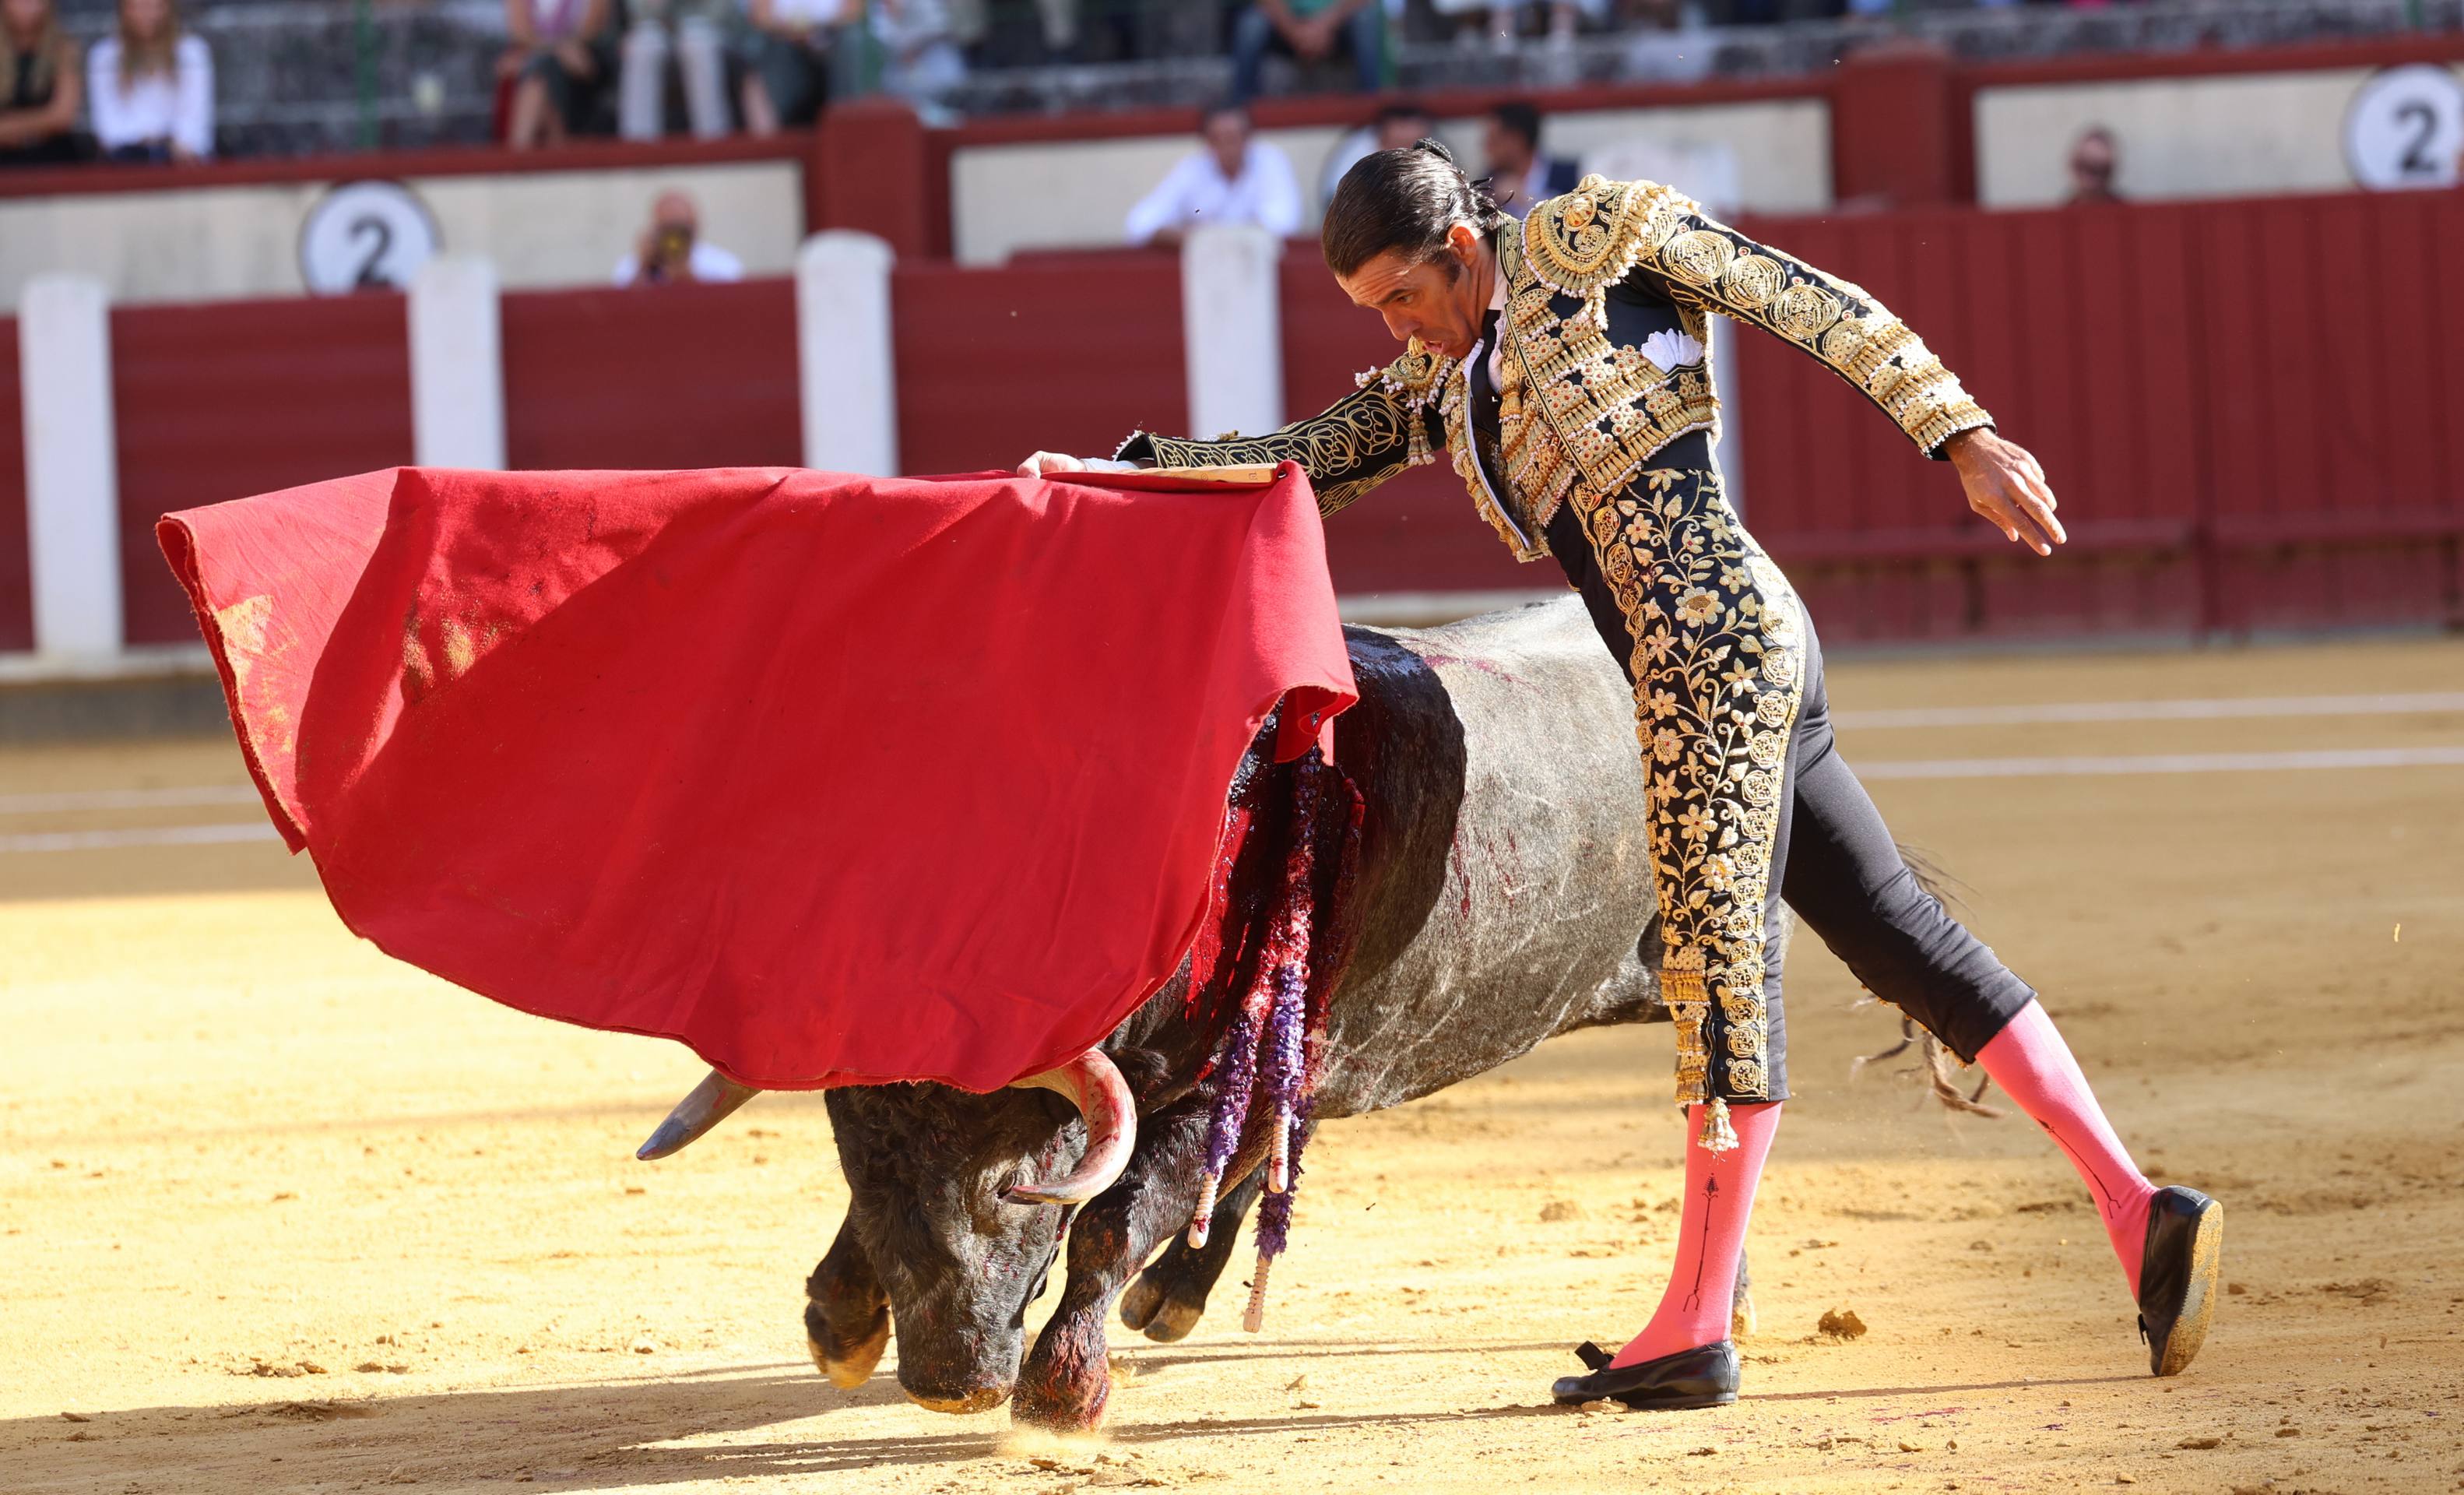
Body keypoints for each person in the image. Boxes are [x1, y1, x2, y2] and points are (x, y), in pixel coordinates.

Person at [1021, 143, 2223, 1409]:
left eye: (1404, 295)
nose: (1397, 326)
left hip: (1712, 649)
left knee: (1717, 976)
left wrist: (1960, 436)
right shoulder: (1444, 376)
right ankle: (2136, 1207)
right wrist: (1120, 476)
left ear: (1461, 249)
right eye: (1375, 309)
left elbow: (1810, 304)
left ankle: (1694, 1327)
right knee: (1893, 932)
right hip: (1721, 652)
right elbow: (1300, 460)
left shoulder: (1599, 244)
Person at [1123, 100, 1302, 249]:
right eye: (1218, 139)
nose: (1228, 148)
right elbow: (1138, 224)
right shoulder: (1193, 168)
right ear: (1207, 142)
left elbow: (1284, 222)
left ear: (1248, 138)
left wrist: (1208, 238)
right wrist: (1182, 237)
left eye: (1233, 138)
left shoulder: (1270, 161)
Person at [86, 0, 209, 164]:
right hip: (125, 160)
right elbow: (108, 128)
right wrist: (144, 144)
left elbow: (193, 124)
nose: (146, 14)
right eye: (137, 6)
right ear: (123, 9)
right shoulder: (104, 56)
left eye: (155, 5)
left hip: (179, 161)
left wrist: (170, 147)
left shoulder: (191, 51)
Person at [503, 0, 620, 150]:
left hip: (585, 62)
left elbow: (593, 27)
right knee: (542, 72)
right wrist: (558, 50)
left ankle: (520, 150)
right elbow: (521, 33)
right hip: (542, 59)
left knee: (540, 74)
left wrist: (561, 50)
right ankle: (553, 149)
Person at [618, 0, 732, 140]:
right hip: (654, 28)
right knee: (642, 45)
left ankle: (713, 135)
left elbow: (720, 13)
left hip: (702, 27)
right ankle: (638, 138)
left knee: (698, 42)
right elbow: (637, 15)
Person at [1228, 0, 1381, 103]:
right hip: (1285, 27)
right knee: (1251, 23)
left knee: (1366, 17)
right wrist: (1295, 32)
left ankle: (1371, 104)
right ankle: (1242, 108)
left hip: (1337, 26)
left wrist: (1323, 26)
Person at [740, 0, 846, 135]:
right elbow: (760, 16)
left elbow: (853, 12)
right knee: (777, 54)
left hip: (831, 39)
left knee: (849, 46)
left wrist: (817, 33)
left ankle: (844, 123)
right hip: (782, 39)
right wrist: (799, 34)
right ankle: (777, 132)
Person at [0, 0, 80, 167]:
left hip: (52, 158)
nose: (26, 6)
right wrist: (39, 124)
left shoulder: (63, 49)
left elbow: (62, 116)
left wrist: (9, 128)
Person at [1318, 99, 1436, 209]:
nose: (1405, 150)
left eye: (1412, 144)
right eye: (1399, 142)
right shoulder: (1357, 151)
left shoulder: (1432, 150)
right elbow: (1336, 199)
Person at [613, 190, 743, 284]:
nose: (674, 240)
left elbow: (725, 305)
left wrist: (685, 274)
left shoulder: (722, 264)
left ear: (695, 226)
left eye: (681, 230)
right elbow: (623, 305)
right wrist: (644, 267)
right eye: (667, 229)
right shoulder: (631, 265)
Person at [1483, 99, 1581, 219]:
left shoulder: (1568, 177)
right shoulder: (1489, 184)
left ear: (1517, 140)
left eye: (1494, 141)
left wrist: (1524, 200)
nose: (1487, 149)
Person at [2066, 125, 2123, 205]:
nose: (2091, 174)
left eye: (2099, 167)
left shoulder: (2128, 210)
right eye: (2086, 165)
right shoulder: (2063, 210)